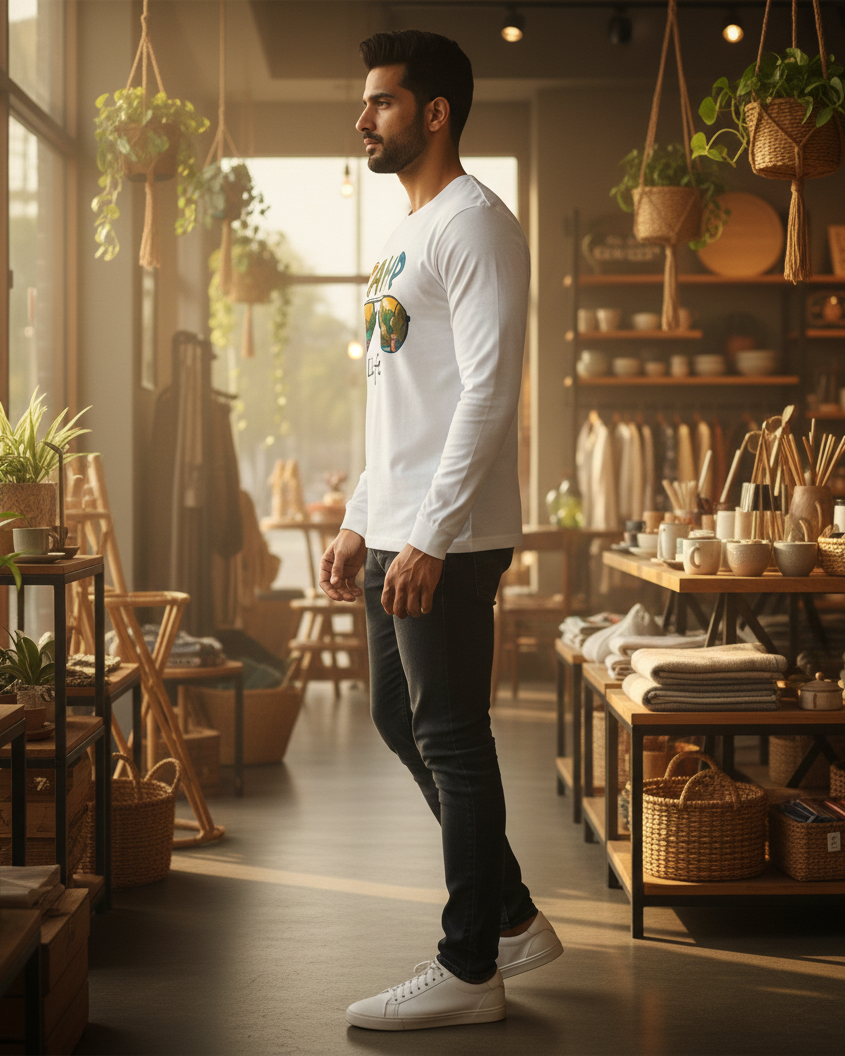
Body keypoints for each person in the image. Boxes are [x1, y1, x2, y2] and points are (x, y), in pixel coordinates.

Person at [319, 29, 563, 1032]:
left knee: (452, 740)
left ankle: (469, 968)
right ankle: (510, 915)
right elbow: (401, 404)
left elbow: (487, 397)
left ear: (433, 113)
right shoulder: (408, 235)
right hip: (399, 527)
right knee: (398, 719)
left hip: (445, 540)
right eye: (364, 101)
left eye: (379, 101)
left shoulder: (476, 226)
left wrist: (426, 535)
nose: (361, 118)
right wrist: (359, 519)